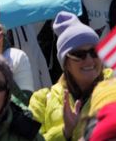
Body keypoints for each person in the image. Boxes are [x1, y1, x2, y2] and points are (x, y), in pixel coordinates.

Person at [28, 13, 108, 141]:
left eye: (94, 52)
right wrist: (65, 132)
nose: (88, 60)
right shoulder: (42, 100)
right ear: (66, 64)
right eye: (79, 54)